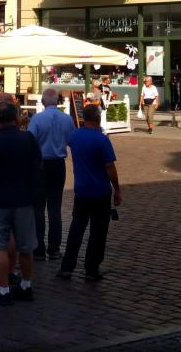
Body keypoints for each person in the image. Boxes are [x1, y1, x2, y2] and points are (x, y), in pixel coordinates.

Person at [0, 102, 41, 305]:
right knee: (25, 246)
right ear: (16, 118)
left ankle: (3, 290)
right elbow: (38, 165)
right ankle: (26, 285)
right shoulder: (28, 138)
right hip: (23, 199)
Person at [56, 103, 121, 281]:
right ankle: (91, 268)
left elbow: (67, 142)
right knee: (98, 232)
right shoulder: (101, 139)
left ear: (84, 118)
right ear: (98, 118)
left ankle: (67, 267)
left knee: (77, 228)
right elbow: (110, 167)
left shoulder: (74, 136)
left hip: (81, 190)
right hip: (100, 191)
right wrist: (117, 189)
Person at [27, 87, 74, 261]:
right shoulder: (67, 119)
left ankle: (39, 249)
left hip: (41, 164)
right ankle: (54, 249)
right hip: (58, 164)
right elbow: (71, 140)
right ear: (57, 101)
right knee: (55, 208)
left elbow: (30, 141)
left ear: (44, 101)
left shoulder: (37, 119)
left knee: (38, 208)